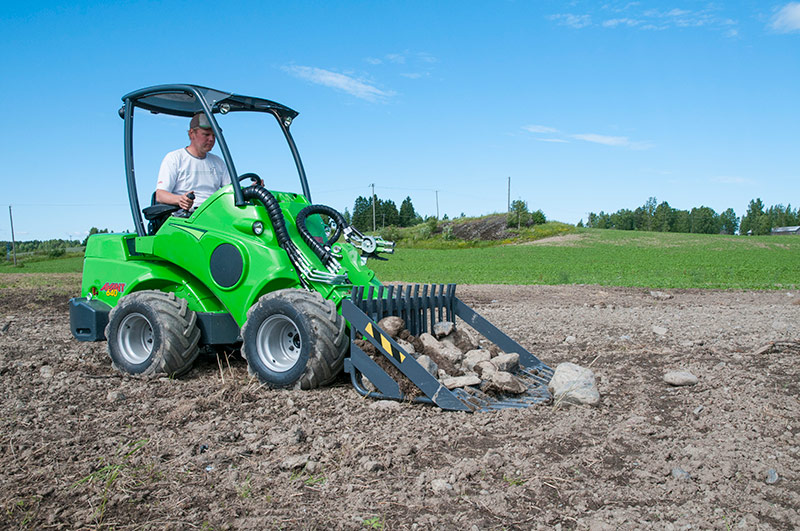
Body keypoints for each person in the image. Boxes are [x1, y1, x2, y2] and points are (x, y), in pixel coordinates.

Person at [155, 112, 231, 211]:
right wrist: (180, 199)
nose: (211, 139)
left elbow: (230, 191)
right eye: (206, 134)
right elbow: (160, 195)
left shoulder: (218, 162)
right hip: (186, 214)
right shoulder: (174, 158)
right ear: (192, 134)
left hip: (213, 212)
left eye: (214, 135)